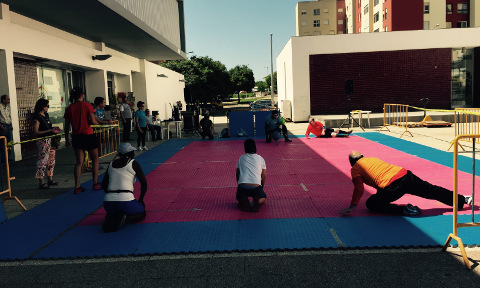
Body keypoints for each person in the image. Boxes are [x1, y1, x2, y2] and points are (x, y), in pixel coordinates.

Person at [339, 151, 473, 216]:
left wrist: (352, 206)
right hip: (406, 175)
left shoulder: (355, 168)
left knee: (371, 203)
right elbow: (381, 178)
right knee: (431, 190)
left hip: (395, 185)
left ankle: (404, 209)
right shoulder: (371, 159)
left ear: (351, 161)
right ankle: (463, 199)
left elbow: (359, 188)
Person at [101, 142, 147, 233]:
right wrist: (141, 199)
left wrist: (111, 195)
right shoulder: (133, 163)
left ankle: (113, 216)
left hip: (108, 203)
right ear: (129, 153)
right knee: (142, 213)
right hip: (126, 200)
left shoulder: (111, 164)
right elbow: (144, 184)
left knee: (115, 210)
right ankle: (125, 219)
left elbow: (103, 184)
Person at [64, 87, 100, 194]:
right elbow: (93, 121)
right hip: (88, 135)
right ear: (82, 95)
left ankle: (77, 186)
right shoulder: (87, 105)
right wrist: (98, 123)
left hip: (76, 136)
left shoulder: (69, 108)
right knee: (95, 159)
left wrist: (66, 139)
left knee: (79, 162)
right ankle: (95, 183)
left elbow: (66, 126)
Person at [33, 99, 60, 189]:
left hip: (50, 140)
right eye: (47, 106)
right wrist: (49, 130)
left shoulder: (46, 115)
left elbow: (48, 126)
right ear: (42, 106)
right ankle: (41, 181)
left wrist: (53, 129)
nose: (48, 108)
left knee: (51, 160)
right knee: (43, 160)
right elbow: (36, 131)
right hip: (42, 141)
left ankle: (50, 179)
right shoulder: (37, 117)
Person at [236, 139, 267, 212]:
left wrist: (239, 184)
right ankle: (257, 201)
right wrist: (262, 187)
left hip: (242, 186)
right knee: (263, 198)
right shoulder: (260, 158)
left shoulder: (241, 158)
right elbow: (264, 175)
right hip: (256, 187)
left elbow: (237, 174)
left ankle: (243, 200)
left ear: (245, 148)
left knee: (239, 198)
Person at [0, 94, 13, 160]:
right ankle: (3, 159)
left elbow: (9, 116)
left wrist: (11, 125)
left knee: (10, 142)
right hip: (3, 127)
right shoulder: (0, 107)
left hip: (9, 126)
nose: (9, 101)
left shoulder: (7, 107)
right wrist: (1, 127)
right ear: (3, 100)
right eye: (7, 99)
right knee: (3, 143)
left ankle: (7, 157)